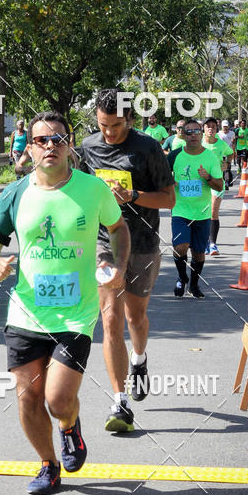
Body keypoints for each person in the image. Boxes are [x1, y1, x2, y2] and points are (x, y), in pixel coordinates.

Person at [0, 110, 129, 494]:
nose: (50, 146)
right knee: (29, 397)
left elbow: (118, 228)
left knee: (58, 400)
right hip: (26, 312)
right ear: (28, 149)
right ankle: (48, 464)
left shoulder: (92, 189)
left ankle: (69, 425)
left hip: (75, 314)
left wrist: (119, 265)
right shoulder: (16, 193)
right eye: (42, 140)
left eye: (58, 139)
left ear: (69, 145)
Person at [78, 89, 175, 432]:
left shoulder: (148, 148)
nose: (109, 133)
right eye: (103, 125)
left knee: (136, 317)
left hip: (144, 243)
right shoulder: (88, 148)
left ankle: (139, 359)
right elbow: (78, 191)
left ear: (130, 120)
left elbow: (170, 199)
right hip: (104, 243)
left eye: (116, 126)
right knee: (109, 319)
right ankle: (120, 402)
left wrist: (133, 196)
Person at [169, 118, 223, 297]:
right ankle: (182, 277)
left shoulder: (210, 157)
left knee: (199, 254)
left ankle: (194, 284)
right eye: (189, 132)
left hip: (202, 212)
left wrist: (207, 177)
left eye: (196, 131)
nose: (193, 135)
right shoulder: (174, 155)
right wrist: (169, 182)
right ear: (182, 135)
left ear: (201, 134)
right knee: (180, 246)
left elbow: (219, 186)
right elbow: (158, 177)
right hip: (180, 210)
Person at [202, 118, 233, 255]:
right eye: (208, 126)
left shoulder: (221, 144)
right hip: (200, 183)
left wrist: (227, 164)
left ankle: (213, 244)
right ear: (203, 128)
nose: (210, 129)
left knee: (213, 211)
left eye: (213, 127)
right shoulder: (199, 143)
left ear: (217, 129)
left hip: (217, 182)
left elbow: (231, 154)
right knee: (202, 213)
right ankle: (203, 242)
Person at [219, 119, 236, 188]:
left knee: (228, 168)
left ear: (228, 126)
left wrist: (234, 151)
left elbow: (233, 143)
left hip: (229, 153)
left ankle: (227, 182)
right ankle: (224, 181)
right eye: (224, 126)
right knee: (223, 168)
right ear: (221, 126)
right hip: (221, 153)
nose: (225, 127)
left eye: (226, 126)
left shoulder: (232, 133)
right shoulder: (219, 134)